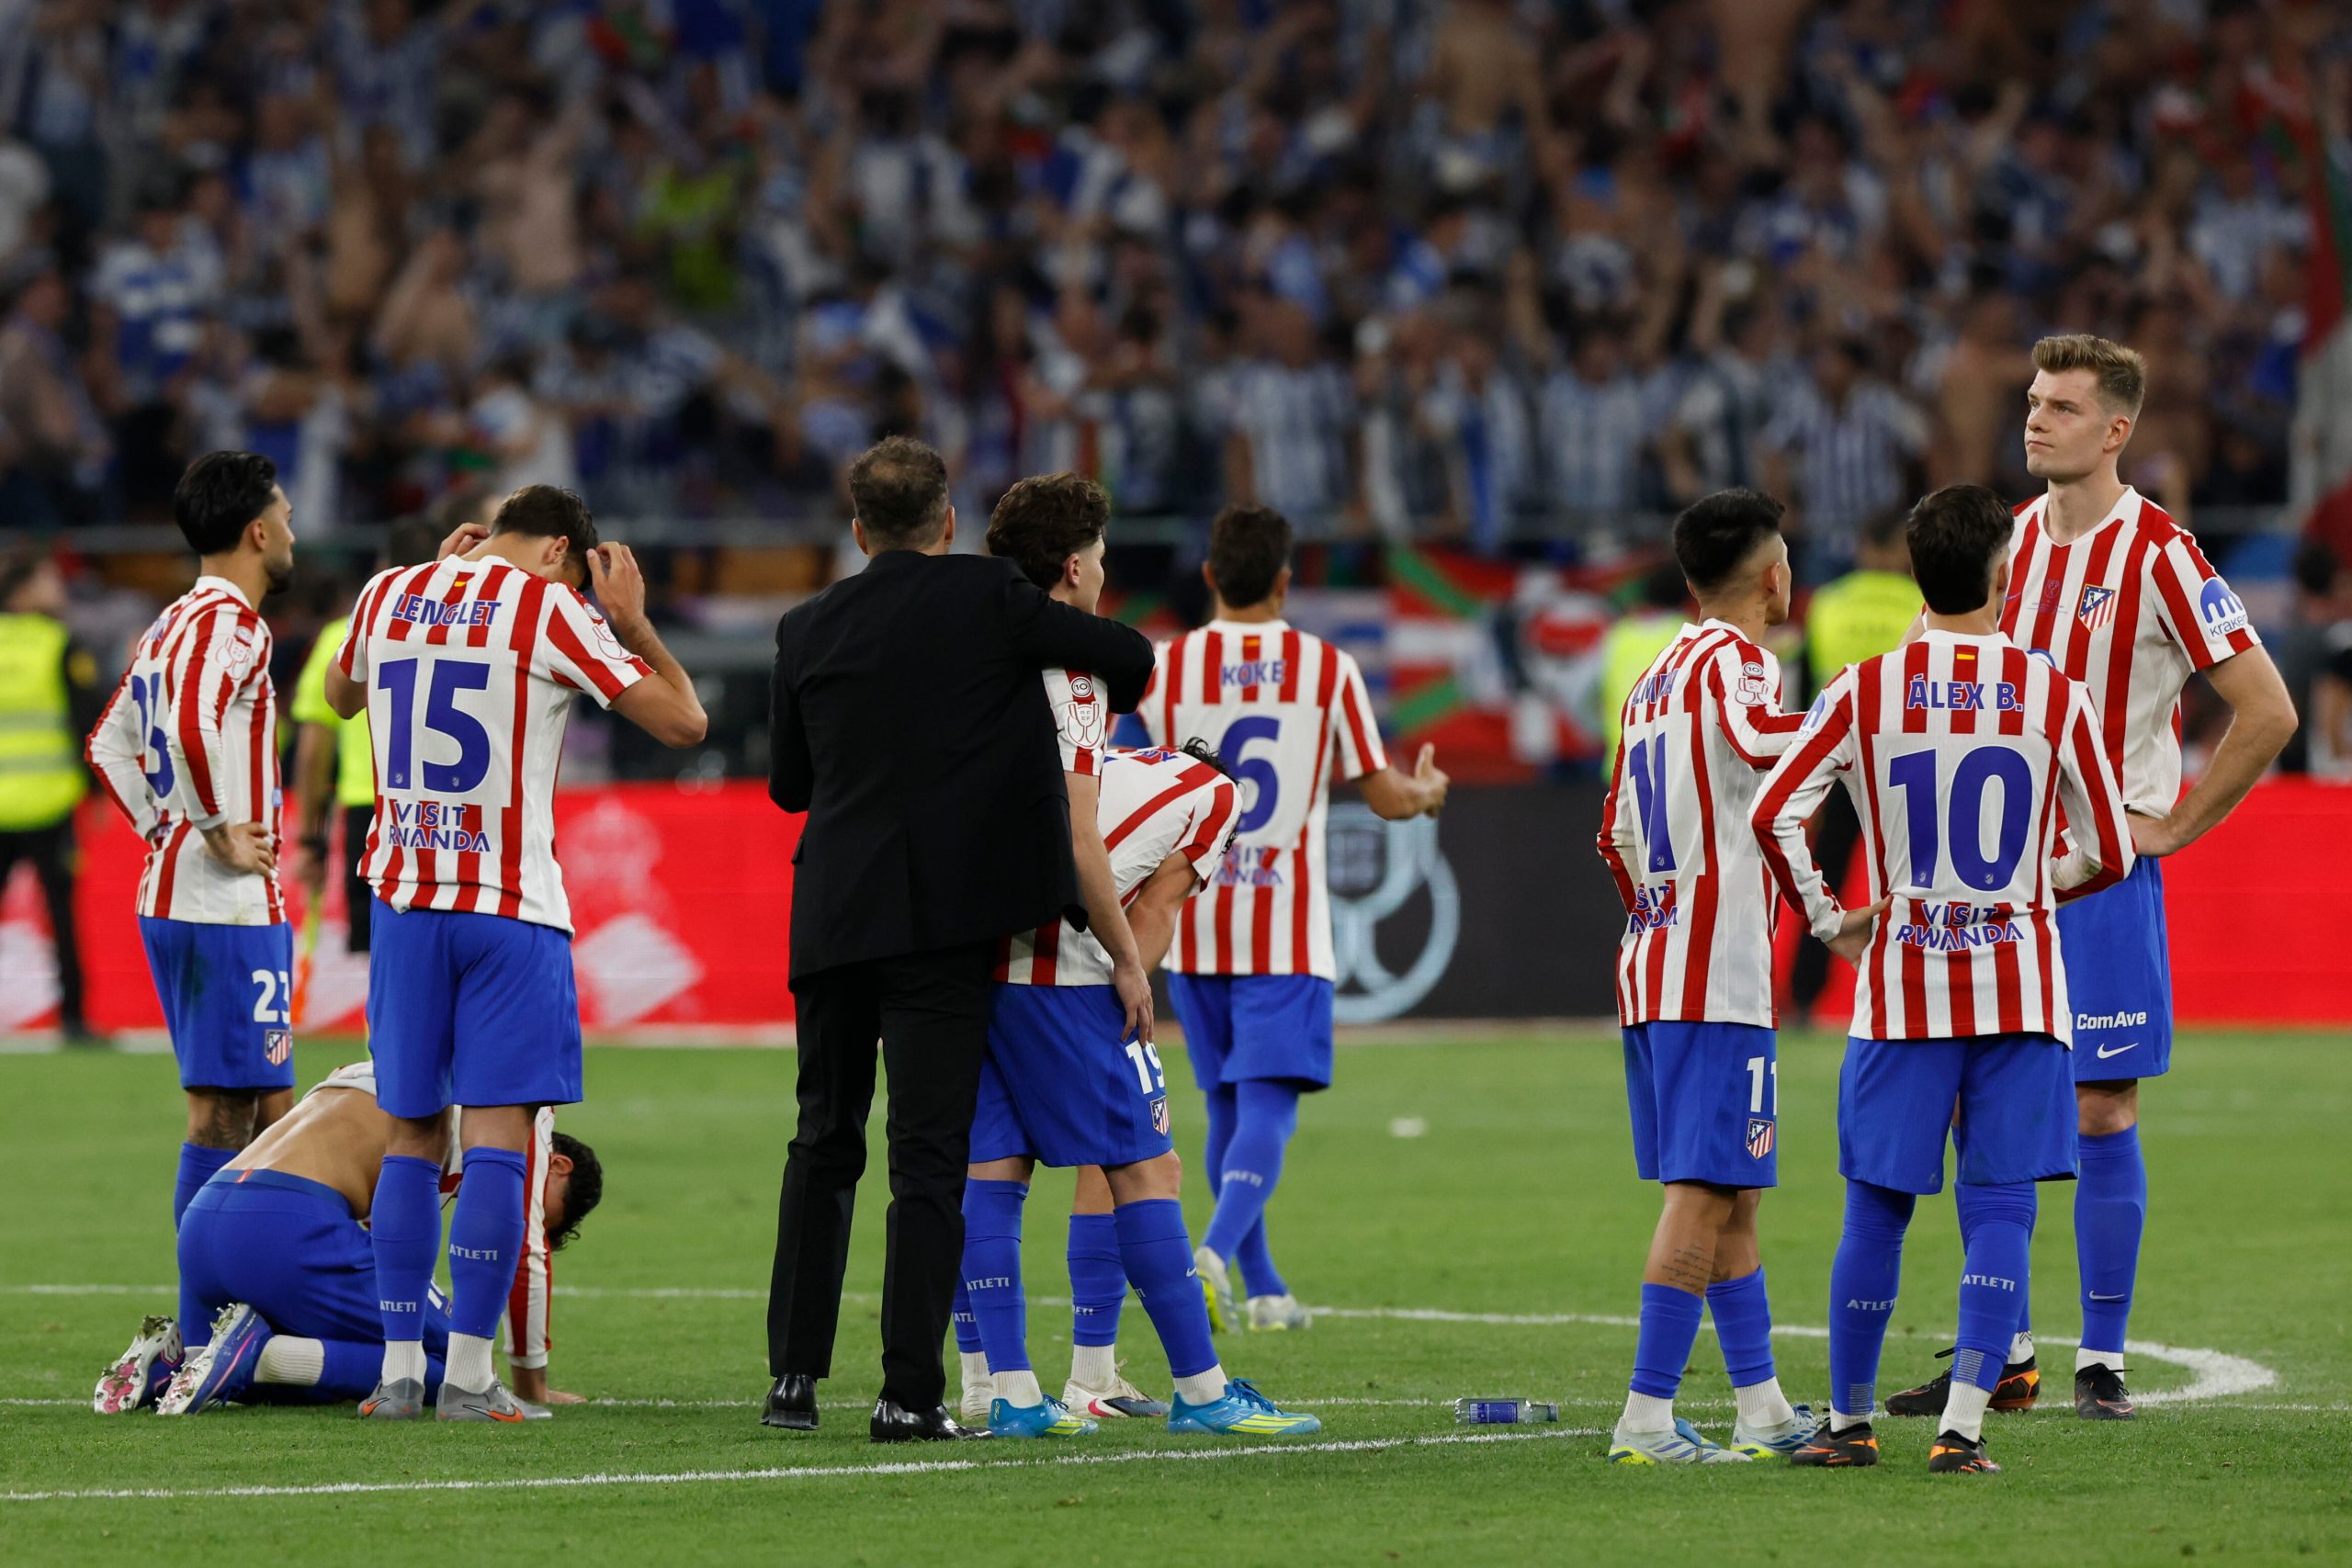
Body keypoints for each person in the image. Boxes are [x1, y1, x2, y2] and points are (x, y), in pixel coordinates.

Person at [1885, 335, 2298, 1422]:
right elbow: (1928, 682)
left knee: (2103, 1106)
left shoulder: (2161, 553)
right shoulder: (2004, 546)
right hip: (1996, 880)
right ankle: (2005, 1352)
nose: (2035, 419)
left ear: (2116, 431)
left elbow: (2267, 711)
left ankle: (2101, 1358)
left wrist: (2173, 828)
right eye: (2032, 401)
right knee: (1979, 1103)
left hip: (2100, 877)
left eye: (2061, 407)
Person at [762, 438, 1154, 1443]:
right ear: (947, 523)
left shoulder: (805, 624)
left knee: (822, 1140)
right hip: (939, 922)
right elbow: (1128, 657)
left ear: (858, 531)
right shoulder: (989, 597)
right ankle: (907, 1393)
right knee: (926, 1159)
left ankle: (793, 1379)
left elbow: (790, 788)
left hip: (832, 913)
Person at [1753, 482, 2134, 1475]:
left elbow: (1773, 811)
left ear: (1915, 575)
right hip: (2019, 988)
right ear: (2004, 572)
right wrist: (2037, 883)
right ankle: (1961, 1429)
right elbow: (2110, 847)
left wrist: (1829, 920)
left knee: (1876, 1210)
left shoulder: (1863, 687)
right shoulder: (2053, 691)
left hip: (1903, 988)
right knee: (2002, 1203)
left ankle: (1847, 1424)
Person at [322, 483, 706, 1424]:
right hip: (508, 907)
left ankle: (397, 1375)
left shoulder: (388, 590)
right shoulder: (551, 608)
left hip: (404, 901)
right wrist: (633, 624)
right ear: (558, 551)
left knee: (412, 1135)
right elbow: (683, 723)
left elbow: (339, 694)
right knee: (498, 1138)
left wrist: (437, 582)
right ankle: (467, 1377)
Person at [947, 472, 1318, 1440]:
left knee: (990, 1172)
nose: (1106, 572)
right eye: (1102, 557)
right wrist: (1124, 965)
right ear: (1074, 569)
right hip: (1057, 968)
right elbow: (1086, 845)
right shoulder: (1078, 680)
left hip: (953, 958)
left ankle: (1003, 1390)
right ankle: (1201, 1390)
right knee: (1146, 1169)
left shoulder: (956, 663)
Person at [1131, 504, 1448, 1333]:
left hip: (1193, 920)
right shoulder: (1325, 667)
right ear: (1284, 579)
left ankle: (1266, 1289)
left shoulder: (1166, 666)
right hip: (1285, 923)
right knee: (1268, 1105)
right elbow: (1383, 795)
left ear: (1210, 576)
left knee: (1227, 1106)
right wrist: (1425, 793)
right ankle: (1210, 1256)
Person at [1593, 489, 1826, 1466]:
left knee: (1732, 1194)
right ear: (1773, 576)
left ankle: (1761, 1408)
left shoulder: (1652, 677)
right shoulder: (1741, 663)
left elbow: (1614, 831)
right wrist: (1857, 720)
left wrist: (1659, 906)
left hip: (1655, 964)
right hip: (1714, 976)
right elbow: (1769, 745)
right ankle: (1646, 1420)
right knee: (1699, 1195)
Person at [85, 452, 299, 1362]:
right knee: (222, 1112)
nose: (293, 531)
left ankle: (272, 1296)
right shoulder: (231, 626)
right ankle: (202, 1325)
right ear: (257, 530)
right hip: (221, 905)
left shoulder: (170, 623)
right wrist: (211, 832)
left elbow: (111, 744)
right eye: (285, 515)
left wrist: (162, 828)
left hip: (197, 897)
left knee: (276, 1104)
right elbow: (186, 727)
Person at [95, 1060, 595, 1416]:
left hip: (207, 1218)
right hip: (286, 1225)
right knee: (456, 1364)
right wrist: (531, 1382)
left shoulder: (381, 1065)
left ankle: (176, 1363)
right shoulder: (521, 1113)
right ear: (558, 1164)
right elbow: (526, 1251)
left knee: (372, 1345)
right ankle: (263, 1358)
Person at [286, 514, 447, 964]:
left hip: (370, 809)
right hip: (448, 812)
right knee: (439, 950)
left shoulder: (341, 636)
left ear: (382, 568)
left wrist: (311, 839)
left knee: (380, 959)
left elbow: (314, 751)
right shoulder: (469, 636)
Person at [1790, 511, 1919, 1022]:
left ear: (1865, 547)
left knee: (1828, 877)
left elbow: (1807, 694)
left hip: (1841, 763)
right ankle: (1917, 992)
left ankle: (1804, 997)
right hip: (1908, 763)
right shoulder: (1922, 604)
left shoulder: (1827, 603)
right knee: (1916, 882)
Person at [0, 549, 103, 1042]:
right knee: (61, 915)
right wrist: (98, 792)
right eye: (47, 581)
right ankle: (75, 1020)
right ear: (24, 592)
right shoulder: (59, 643)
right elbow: (89, 720)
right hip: (51, 803)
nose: (58, 589)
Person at [1597, 558, 1690, 780]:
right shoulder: (1689, 634)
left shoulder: (1618, 634)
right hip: (1673, 765)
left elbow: (1589, 697)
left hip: (1622, 763)